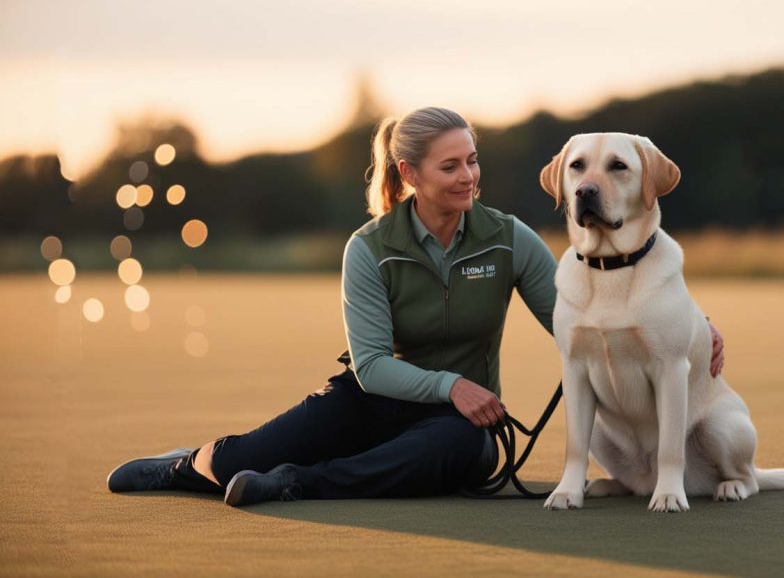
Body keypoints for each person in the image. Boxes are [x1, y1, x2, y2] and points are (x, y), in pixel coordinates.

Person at [106, 107, 726, 506]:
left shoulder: (509, 238)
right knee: (244, 457)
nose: (468, 177)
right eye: (451, 166)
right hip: (372, 398)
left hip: (461, 426)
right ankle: (185, 467)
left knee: (451, 456)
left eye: (473, 161)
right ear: (411, 174)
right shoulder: (369, 248)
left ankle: (298, 483)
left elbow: (579, 311)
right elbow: (372, 366)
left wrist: (688, 326)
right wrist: (453, 384)